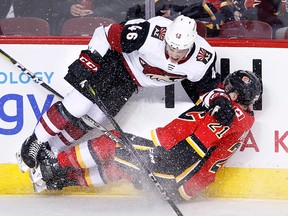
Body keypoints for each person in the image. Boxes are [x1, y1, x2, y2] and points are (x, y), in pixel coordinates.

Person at [18, 15, 224, 173]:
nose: (174, 53)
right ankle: (35, 140)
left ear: (192, 44)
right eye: (171, 46)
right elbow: (106, 33)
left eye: (181, 50)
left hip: (131, 82)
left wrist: (220, 101)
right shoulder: (150, 33)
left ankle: (51, 148)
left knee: (95, 119)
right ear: (167, 37)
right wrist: (89, 59)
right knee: (78, 105)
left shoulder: (202, 59)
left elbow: (207, 89)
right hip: (115, 63)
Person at [30, 70, 263, 202]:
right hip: (185, 179)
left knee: (111, 144)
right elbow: (215, 95)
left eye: (231, 91)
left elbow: (196, 150)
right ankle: (63, 180)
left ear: (240, 98)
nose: (226, 91)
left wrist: (161, 163)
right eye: (228, 86)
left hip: (177, 172)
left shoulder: (227, 116)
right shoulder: (234, 109)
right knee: (122, 167)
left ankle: (53, 168)